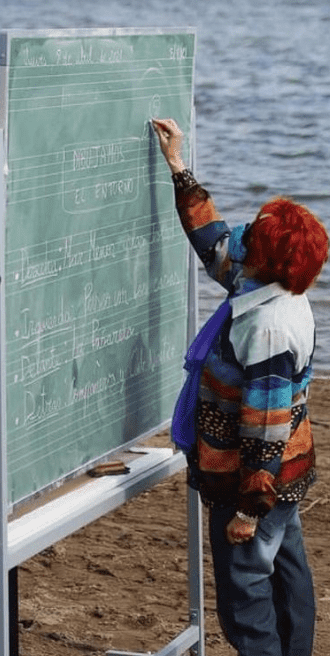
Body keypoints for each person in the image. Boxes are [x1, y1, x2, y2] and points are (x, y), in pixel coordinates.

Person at [152, 117, 328, 656]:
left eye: (254, 232)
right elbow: (213, 242)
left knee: (247, 595)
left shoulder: (268, 327)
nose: (244, 233)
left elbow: (265, 429)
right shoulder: (266, 284)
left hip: (254, 479)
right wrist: (178, 166)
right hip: (283, 474)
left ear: (264, 257)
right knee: (286, 570)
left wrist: (249, 510)